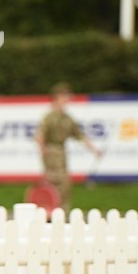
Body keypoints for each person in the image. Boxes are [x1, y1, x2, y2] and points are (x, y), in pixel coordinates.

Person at [34, 82, 102, 211]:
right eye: (64, 97)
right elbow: (40, 135)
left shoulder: (67, 118)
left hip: (61, 151)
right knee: (54, 182)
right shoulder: (49, 117)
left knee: (64, 184)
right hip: (51, 151)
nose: (67, 100)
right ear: (57, 98)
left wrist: (94, 150)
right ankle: (51, 210)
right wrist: (42, 152)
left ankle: (62, 211)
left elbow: (79, 135)